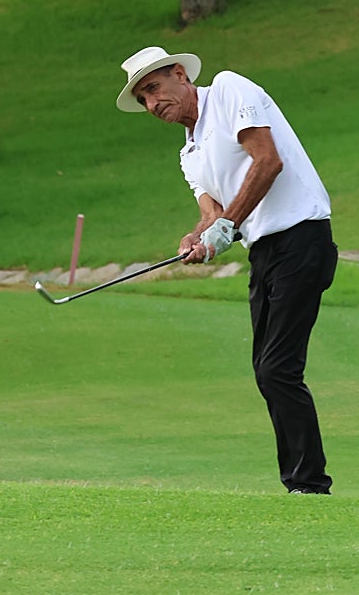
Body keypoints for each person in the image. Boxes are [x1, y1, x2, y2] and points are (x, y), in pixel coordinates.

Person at [116, 46, 338, 495]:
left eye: (155, 88)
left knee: (278, 368)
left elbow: (267, 161)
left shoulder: (228, 89)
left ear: (180, 74)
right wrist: (197, 238)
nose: (152, 104)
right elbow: (211, 213)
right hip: (265, 252)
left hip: (302, 237)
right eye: (142, 99)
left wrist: (224, 227)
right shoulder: (189, 153)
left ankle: (308, 484)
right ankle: (302, 482)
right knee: (267, 369)